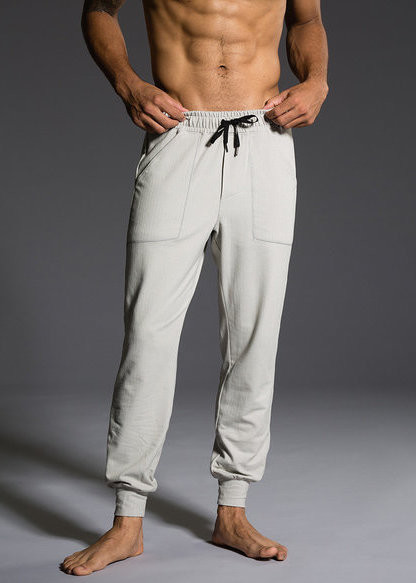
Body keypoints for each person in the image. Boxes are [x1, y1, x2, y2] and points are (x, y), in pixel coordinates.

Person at [61, 0, 329, 575]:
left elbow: (305, 19)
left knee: (255, 333)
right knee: (148, 335)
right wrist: (128, 84)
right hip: (180, 136)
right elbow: (98, 9)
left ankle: (233, 510)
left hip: (265, 140)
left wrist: (316, 82)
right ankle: (127, 521)